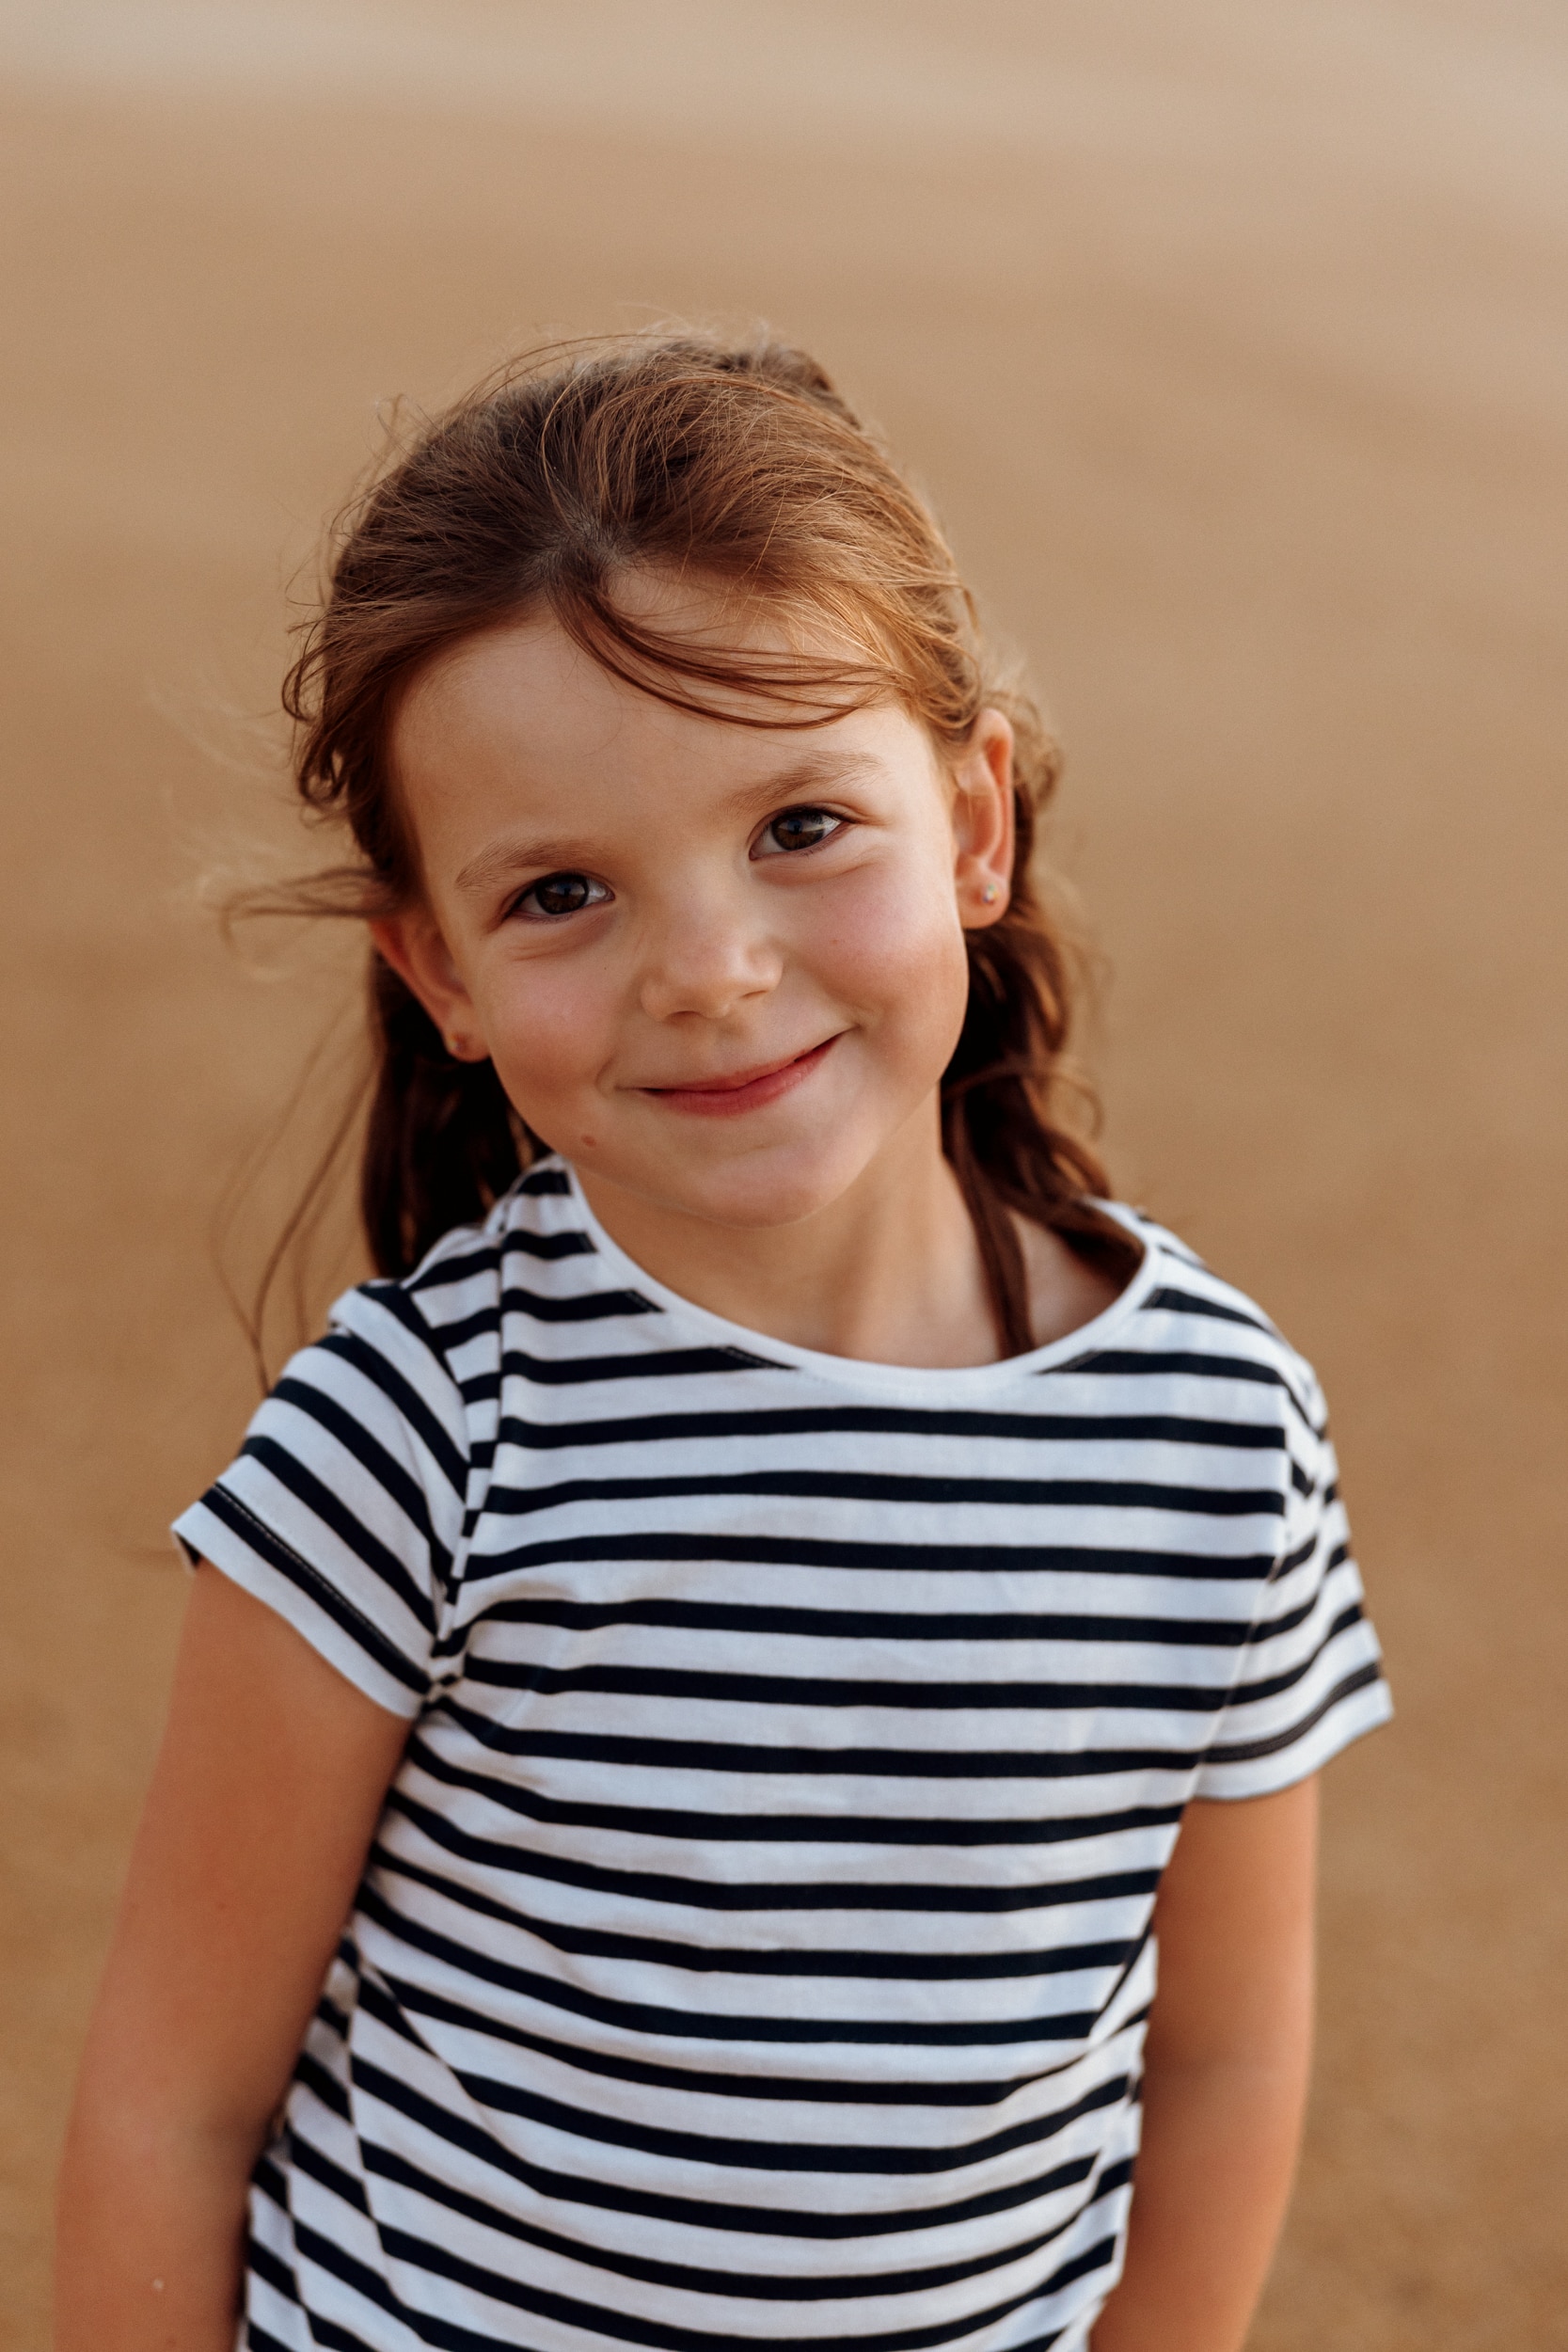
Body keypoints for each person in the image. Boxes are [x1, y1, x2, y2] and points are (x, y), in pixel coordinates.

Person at [55, 329, 1391, 2352]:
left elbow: (1218, 2059)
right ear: (441, 970)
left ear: (972, 824)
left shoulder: (1215, 1424)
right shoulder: (421, 1429)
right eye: (565, 890)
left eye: (798, 829)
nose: (710, 970)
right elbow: (173, 2099)